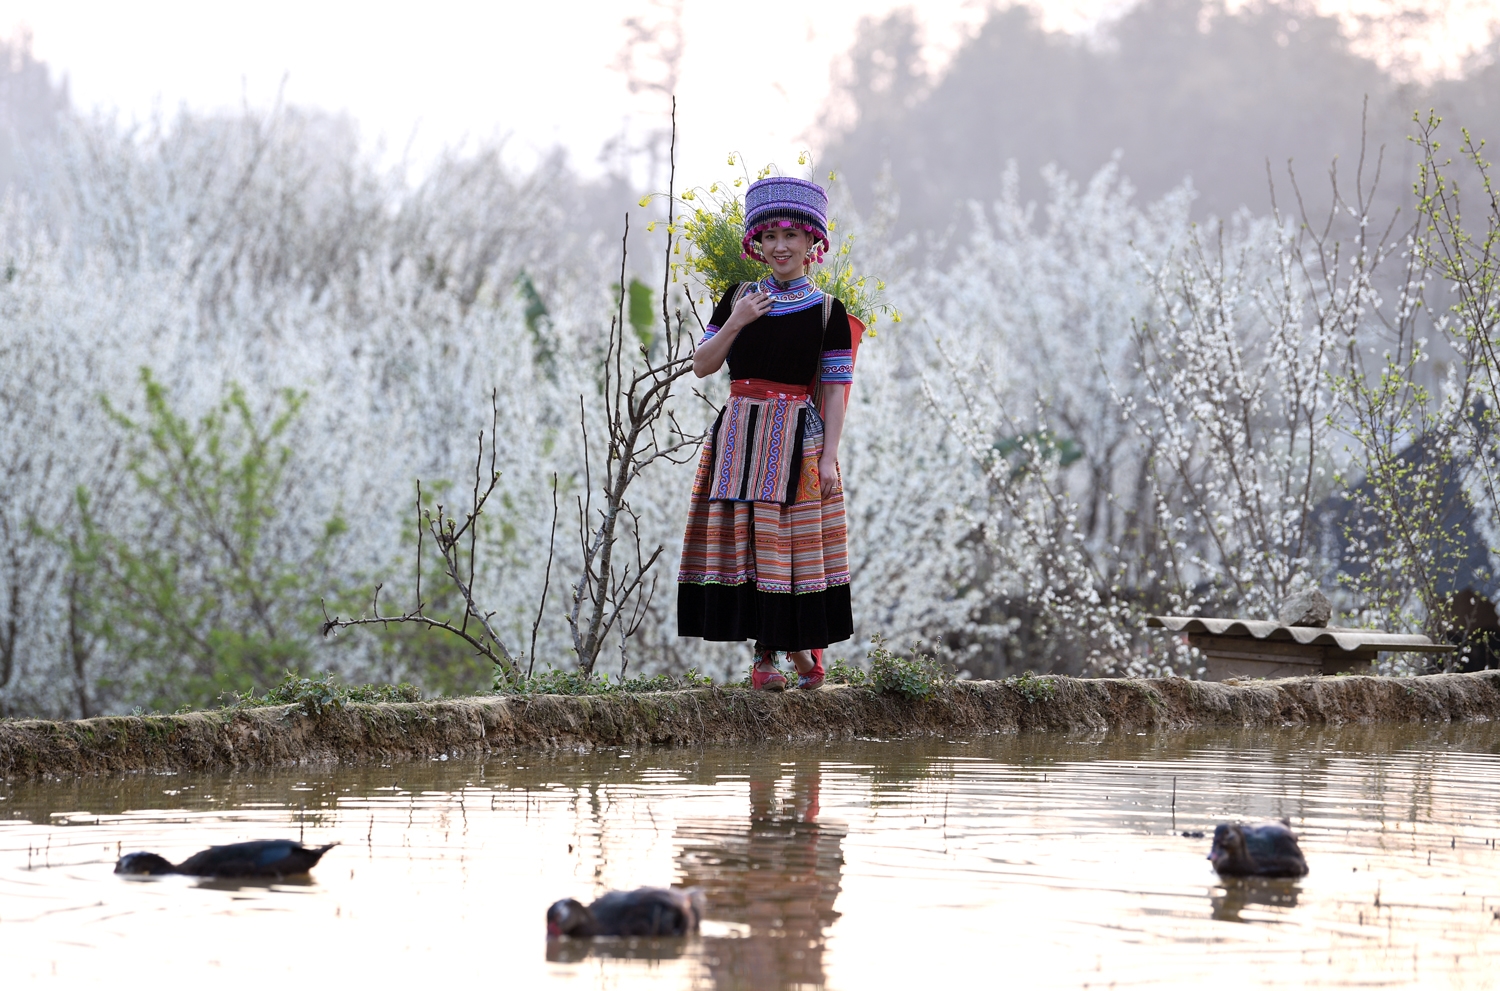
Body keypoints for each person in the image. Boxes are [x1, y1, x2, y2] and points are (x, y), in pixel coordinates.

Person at [677, 175, 854, 690]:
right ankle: (779, 660)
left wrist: (828, 460)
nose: (780, 246)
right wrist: (736, 321)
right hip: (739, 436)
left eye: (792, 236)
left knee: (785, 549)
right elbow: (702, 366)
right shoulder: (737, 298)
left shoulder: (828, 313)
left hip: (798, 441)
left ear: (811, 244)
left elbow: (837, 393)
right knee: (746, 546)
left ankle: (775, 659)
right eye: (770, 236)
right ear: (756, 241)